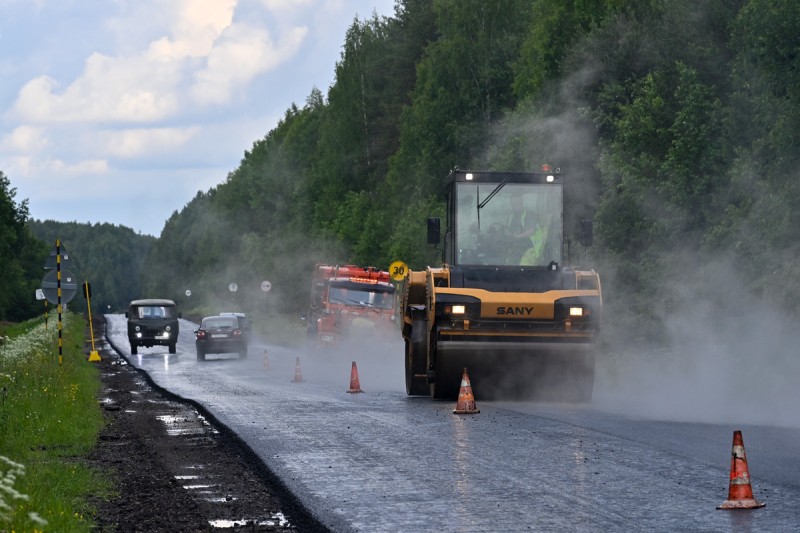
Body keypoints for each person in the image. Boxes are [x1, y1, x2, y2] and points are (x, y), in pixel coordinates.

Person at [507, 196, 547, 265]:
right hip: (515, 239)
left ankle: (512, 270)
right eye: (513, 204)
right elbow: (509, 229)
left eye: (517, 203)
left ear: (522, 203)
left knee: (515, 250)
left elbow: (531, 230)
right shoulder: (511, 215)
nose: (515, 206)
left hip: (528, 240)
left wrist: (518, 236)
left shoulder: (529, 214)